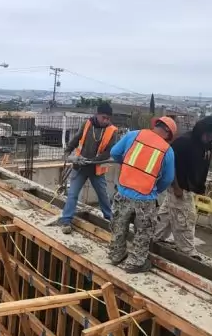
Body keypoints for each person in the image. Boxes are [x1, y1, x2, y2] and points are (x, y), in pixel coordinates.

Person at [107, 117, 177, 272]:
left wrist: (126, 165)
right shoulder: (167, 150)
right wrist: (156, 189)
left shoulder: (134, 135)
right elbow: (168, 178)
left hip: (123, 191)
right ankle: (136, 263)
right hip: (146, 198)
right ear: (168, 133)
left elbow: (114, 152)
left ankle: (116, 255)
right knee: (143, 231)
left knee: (119, 225)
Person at [156, 115, 212, 258]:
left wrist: (200, 186)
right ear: (202, 131)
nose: (211, 138)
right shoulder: (183, 143)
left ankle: (156, 236)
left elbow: (202, 166)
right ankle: (188, 252)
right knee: (186, 219)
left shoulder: (206, 145)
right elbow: (169, 165)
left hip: (189, 188)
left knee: (168, 214)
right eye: (209, 134)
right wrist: (176, 187)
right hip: (180, 188)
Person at [57, 102, 119, 233]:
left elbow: (108, 152)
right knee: (72, 194)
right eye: (104, 117)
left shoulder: (112, 131)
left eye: (108, 118)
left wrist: (93, 161)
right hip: (80, 167)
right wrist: (68, 152)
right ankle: (66, 221)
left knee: (103, 197)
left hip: (96, 170)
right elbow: (76, 139)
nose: (106, 121)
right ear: (97, 115)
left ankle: (111, 221)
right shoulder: (87, 124)